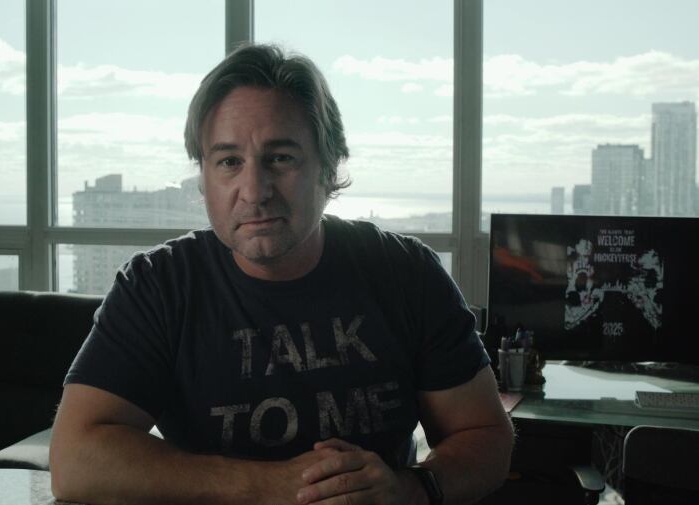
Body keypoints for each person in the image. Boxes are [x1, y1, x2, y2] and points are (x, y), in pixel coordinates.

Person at [50, 44, 513, 505]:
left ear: (329, 171)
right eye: (229, 161)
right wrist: (271, 487)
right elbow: (75, 459)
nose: (254, 191)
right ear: (204, 178)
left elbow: (485, 433)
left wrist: (410, 490)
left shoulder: (404, 273)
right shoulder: (160, 285)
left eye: (281, 158)